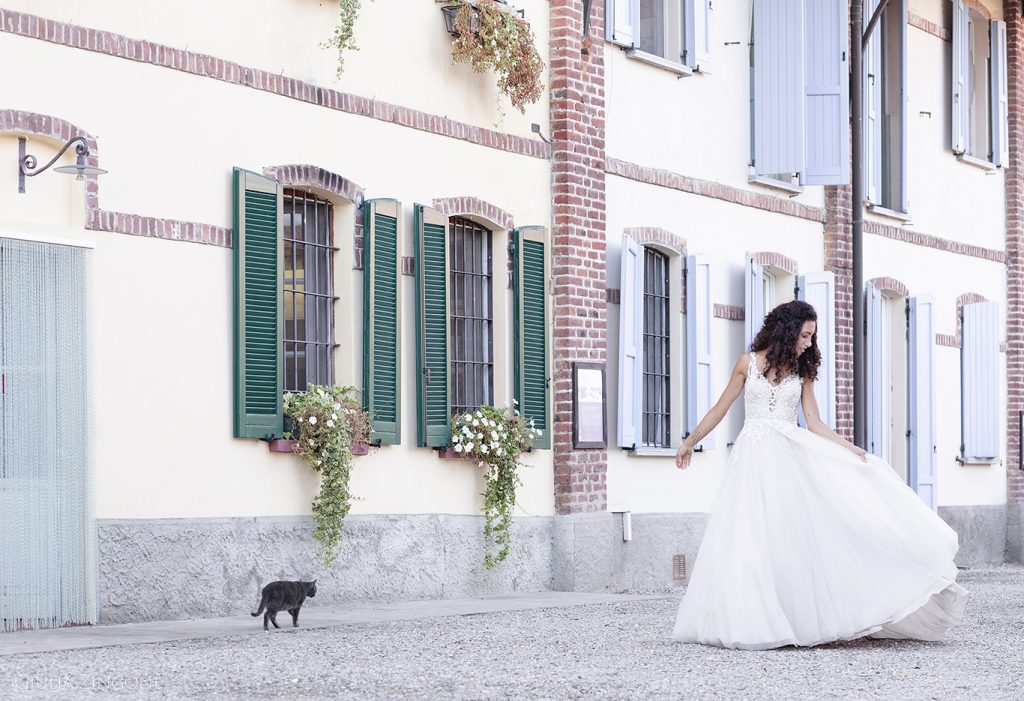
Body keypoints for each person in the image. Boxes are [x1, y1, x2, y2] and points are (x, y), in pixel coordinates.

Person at [671, 300, 967, 650]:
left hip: (786, 461)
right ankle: (749, 620)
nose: (810, 342)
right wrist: (690, 442)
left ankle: (794, 616)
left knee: (788, 538)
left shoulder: (802, 371)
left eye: (813, 336)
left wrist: (851, 450)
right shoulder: (746, 364)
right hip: (750, 461)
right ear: (788, 330)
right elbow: (720, 408)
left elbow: (814, 422)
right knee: (747, 537)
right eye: (806, 334)